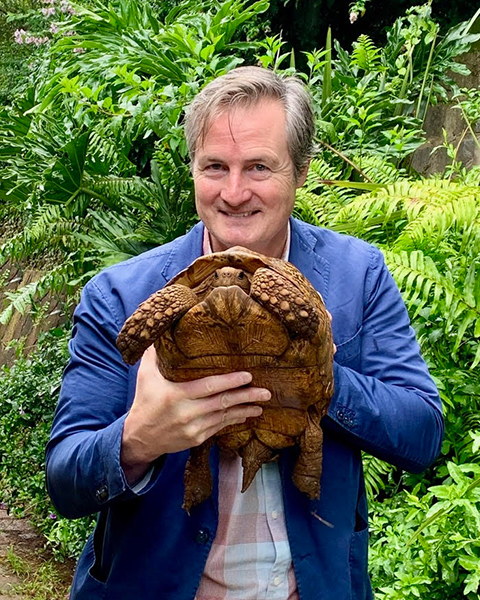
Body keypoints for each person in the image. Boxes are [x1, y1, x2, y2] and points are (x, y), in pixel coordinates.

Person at [46, 66, 443, 600]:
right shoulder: (121, 294)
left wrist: (317, 379)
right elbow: (66, 478)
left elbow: (421, 433)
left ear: (300, 172)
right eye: (214, 166)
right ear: (192, 171)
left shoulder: (358, 275)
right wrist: (139, 438)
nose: (234, 192)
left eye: (259, 166)